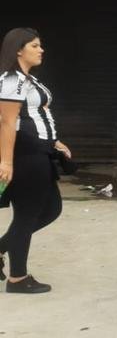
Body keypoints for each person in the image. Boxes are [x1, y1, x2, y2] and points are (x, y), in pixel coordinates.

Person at [0, 28, 72, 294]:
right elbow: (7, 122)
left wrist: (54, 141)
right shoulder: (12, 80)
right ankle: (18, 278)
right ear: (18, 50)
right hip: (25, 155)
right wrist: (6, 162)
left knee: (51, 209)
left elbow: (35, 115)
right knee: (27, 216)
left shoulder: (28, 79)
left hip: (40, 151)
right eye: (34, 45)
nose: (41, 50)